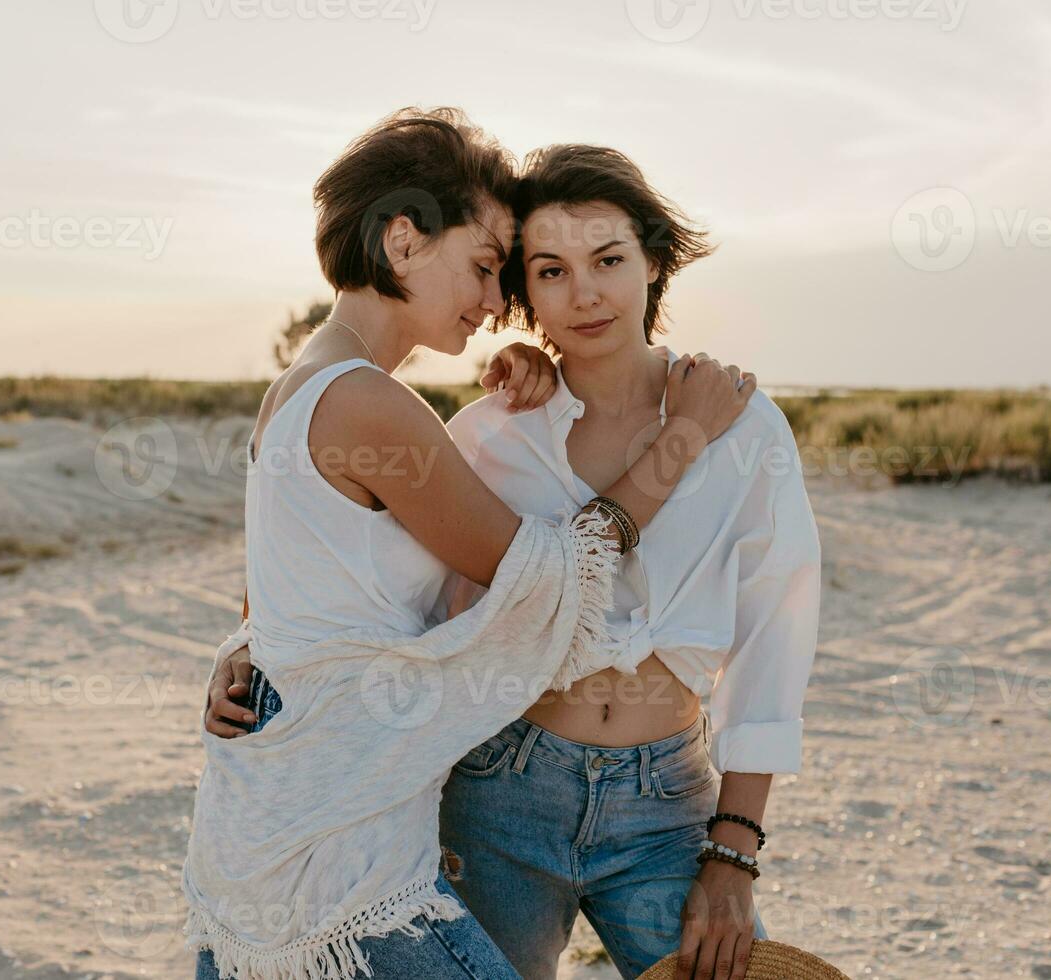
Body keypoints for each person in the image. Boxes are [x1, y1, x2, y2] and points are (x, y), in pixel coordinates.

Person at [185, 108, 757, 980]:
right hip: (340, 879)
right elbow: (548, 580)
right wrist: (681, 442)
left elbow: (282, 587)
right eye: (486, 268)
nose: (497, 305)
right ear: (405, 240)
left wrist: (244, 651)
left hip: (278, 835)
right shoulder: (369, 404)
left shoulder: (299, 387)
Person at [435, 144, 823, 980]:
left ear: (653, 259)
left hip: (667, 804)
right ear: (524, 292)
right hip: (502, 787)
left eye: (608, 259)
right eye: (551, 270)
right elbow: (394, 597)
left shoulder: (745, 431)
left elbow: (775, 638)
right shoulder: (491, 436)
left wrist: (734, 853)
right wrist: (246, 649)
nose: (585, 293)